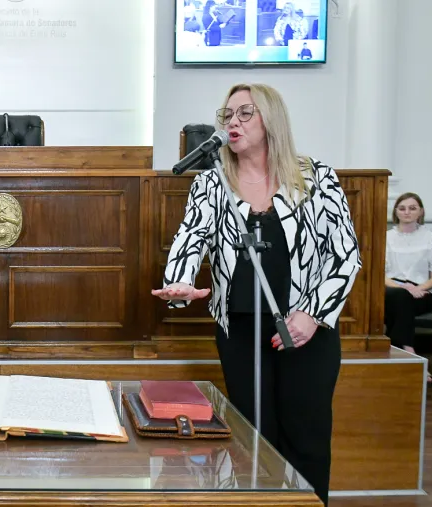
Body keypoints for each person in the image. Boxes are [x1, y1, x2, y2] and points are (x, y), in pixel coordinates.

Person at [152, 83, 360, 505]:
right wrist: (179, 282)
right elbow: (190, 237)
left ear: (271, 120)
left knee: (306, 437)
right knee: (253, 441)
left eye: (245, 113)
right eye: (227, 115)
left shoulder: (316, 176)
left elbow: (346, 255)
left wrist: (311, 315)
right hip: (242, 332)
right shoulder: (212, 182)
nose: (233, 122)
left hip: (306, 332)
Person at [384, 192, 432, 383]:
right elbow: (380, 275)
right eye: (402, 208)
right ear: (396, 212)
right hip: (392, 288)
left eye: (412, 208)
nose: (407, 212)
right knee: (400, 297)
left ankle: (399, 352)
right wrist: (403, 287)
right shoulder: (385, 237)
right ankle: (409, 351)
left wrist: (419, 287)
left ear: (421, 211)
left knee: (401, 303)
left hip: (423, 291)